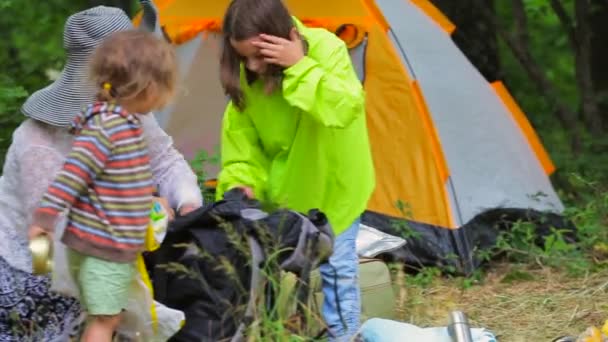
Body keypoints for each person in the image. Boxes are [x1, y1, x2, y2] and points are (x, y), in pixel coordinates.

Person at [0, 6, 202, 341]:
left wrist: (187, 204)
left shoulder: (128, 112)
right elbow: (52, 238)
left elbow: (165, 160)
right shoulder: (37, 142)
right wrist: (149, 216)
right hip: (33, 272)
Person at [215, 0, 375, 340]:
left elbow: (344, 107)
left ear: (286, 36)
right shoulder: (247, 77)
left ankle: (344, 337)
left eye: (260, 56)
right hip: (286, 196)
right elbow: (242, 145)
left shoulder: (325, 48)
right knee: (280, 281)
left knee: (336, 273)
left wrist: (300, 65)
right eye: (243, 57)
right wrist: (241, 185)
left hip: (335, 190)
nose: (252, 66)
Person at [28, 28, 178, 342]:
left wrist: (155, 203)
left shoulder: (120, 124)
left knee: (109, 316)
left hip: (107, 246)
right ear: (147, 86)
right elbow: (72, 175)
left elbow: (123, 181)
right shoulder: (108, 127)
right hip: (103, 250)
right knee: (105, 319)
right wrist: (43, 219)